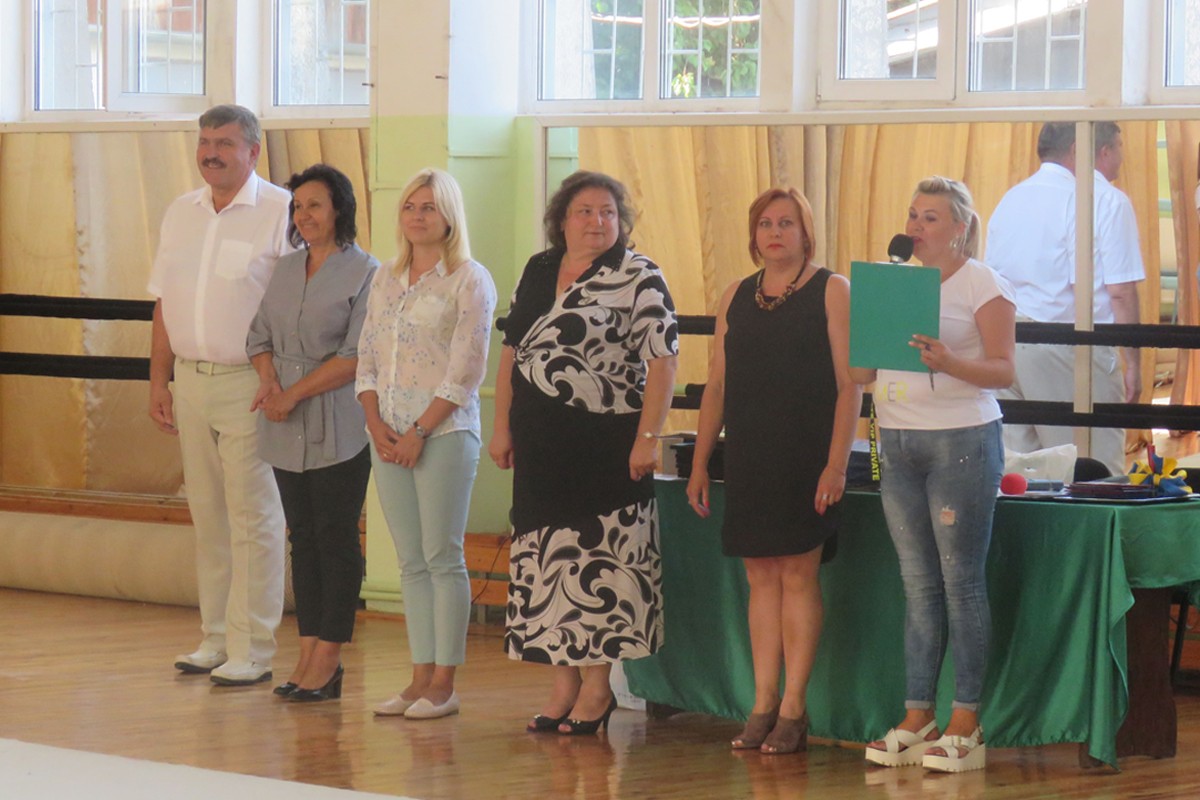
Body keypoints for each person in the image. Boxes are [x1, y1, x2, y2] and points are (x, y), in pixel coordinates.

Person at [490, 170, 678, 736]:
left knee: (600, 566)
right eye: (585, 211)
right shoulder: (539, 268)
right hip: (541, 448)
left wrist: (649, 438)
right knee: (547, 564)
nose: (597, 221)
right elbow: (512, 352)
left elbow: (663, 361)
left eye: (608, 212)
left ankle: (598, 689)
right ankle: (563, 685)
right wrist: (501, 426)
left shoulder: (639, 274)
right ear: (562, 220)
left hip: (606, 448)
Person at [685, 188, 861, 755]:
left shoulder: (832, 290)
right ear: (753, 234)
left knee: (798, 576)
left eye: (786, 223)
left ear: (806, 232)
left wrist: (836, 464)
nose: (775, 232)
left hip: (807, 455)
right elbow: (717, 384)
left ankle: (794, 707)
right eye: (765, 223)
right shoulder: (736, 294)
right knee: (759, 577)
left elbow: (850, 385)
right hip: (750, 455)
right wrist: (699, 463)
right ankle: (762, 702)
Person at [854, 177, 1015, 773]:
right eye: (913, 215)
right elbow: (859, 374)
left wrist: (949, 362)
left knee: (960, 583)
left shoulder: (982, 283)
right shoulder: (892, 281)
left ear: (960, 228)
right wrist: (866, 328)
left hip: (961, 441)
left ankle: (966, 720)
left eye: (930, 217)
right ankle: (917, 714)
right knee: (918, 584)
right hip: (897, 439)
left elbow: (1003, 370)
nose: (916, 227)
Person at [148, 104, 292, 686]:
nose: (211, 153)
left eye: (225, 143)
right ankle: (214, 638)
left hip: (252, 384)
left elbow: (294, 306)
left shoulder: (281, 210)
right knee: (207, 514)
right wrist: (158, 380)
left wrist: (278, 382)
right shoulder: (180, 211)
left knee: (254, 516)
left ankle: (252, 646)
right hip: (190, 380)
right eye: (205, 142)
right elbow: (164, 301)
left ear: (253, 151)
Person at [357, 168, 497, 720]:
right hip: (387, 433)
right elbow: (367, 355)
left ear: (449, 216)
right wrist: (375, 422)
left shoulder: (469, 279)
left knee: (443, 557)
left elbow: (466, 369)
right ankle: (418, 676)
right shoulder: (386, 277)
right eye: (410, 207)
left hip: (444, 434)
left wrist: (419, 432)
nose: (417, 216)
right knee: (410, 562)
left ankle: (444, 683)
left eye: (429, 207)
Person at [246, 164, 377, 702]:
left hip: (339, 424)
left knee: (335, 537)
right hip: (282, 421)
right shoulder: (284, 267)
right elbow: (257, 336)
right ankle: (305, 651)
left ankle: (329, 656)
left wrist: (292, 394)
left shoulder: (367, 272)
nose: (303, 215)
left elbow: (355, 355)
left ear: (339, 209)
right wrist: (270, 382)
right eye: (297, 206)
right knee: (301, 537)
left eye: (314, 205)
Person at [986, 121, 1145, 475]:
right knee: (1093, 470)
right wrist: (1134, 363)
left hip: (1008, 342)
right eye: (1116, 148)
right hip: (1070, 347)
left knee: (1022, 474)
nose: (1119, 158)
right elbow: (1120, 292)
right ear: (1081, 148)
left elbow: (992, 280)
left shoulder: (1010, 199)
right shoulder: (1104, 199)